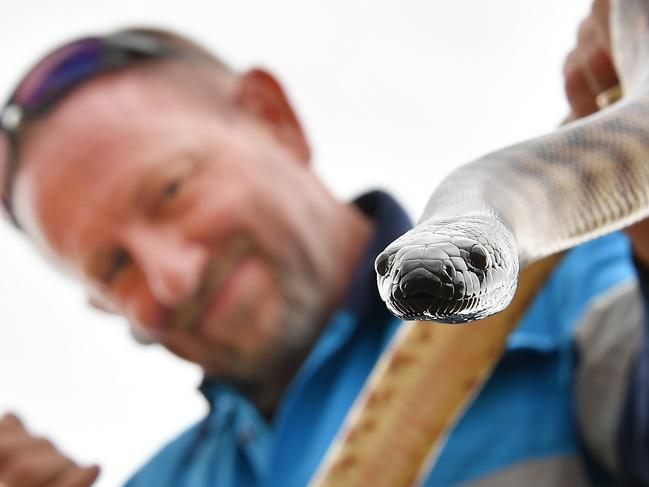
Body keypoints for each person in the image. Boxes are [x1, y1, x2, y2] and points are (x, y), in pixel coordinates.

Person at [1, 2, 648, 486]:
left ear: (273, 117)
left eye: (170, 190)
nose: (174, 276)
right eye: (114, 267)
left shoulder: (579, 285)